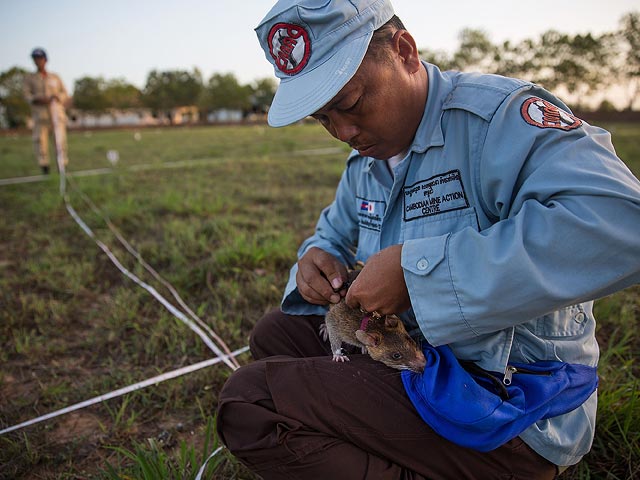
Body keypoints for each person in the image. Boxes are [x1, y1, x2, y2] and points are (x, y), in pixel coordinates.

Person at [216, 0, 640, 478]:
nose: (344, 132)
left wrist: (420, 276)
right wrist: (314, 262)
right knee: (274, 333)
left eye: (351, 104)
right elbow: (329, 237)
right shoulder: (366, 164)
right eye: (323, 118)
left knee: (249, 402)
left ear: (404, 50)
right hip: (413, 362)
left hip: (501, 400)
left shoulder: (497, 121)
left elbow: (621, 223)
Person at [23, 48, 70, 175]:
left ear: (45, 60)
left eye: (40, 58)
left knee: (60, 140)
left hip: (56, 114)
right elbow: (27, 96)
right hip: (40, 115)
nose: (38, 61)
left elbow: (64, 93)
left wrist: (57, 98)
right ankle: (45, 167)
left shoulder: (55, 77)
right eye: (35, 59)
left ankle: (63, 165)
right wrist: (37, 99)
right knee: (40, 141)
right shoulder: (30, 78)